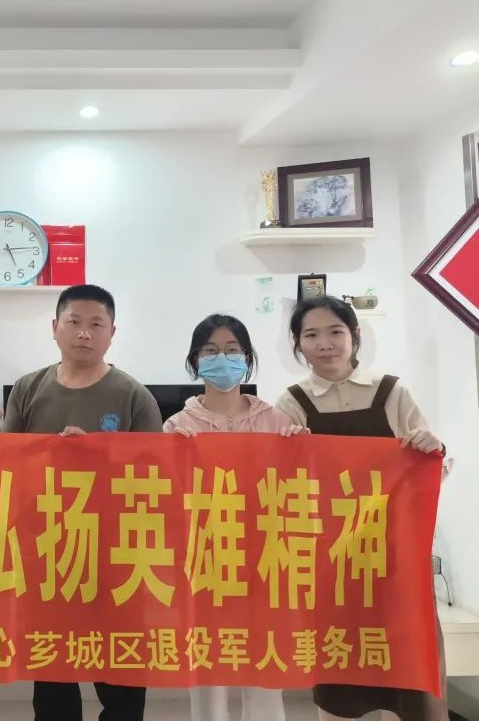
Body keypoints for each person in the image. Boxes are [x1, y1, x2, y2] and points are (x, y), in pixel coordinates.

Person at [275, 295, 448, 721]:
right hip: (331, 559)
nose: (325, 343)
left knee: (409, 660)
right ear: (298, 344)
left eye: (335, 331)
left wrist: (434, 449)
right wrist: (288, 453)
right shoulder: (291, 403)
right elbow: (278, 486)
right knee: (339, 669)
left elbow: (432, 470)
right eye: (311, 335)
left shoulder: (391, 391)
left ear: (353, 335)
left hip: (396, 553)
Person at [2, 283, 162, 721]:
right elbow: (5, 464)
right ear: (55, 327)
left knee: (122, 673)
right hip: (48, 550)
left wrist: (96, 456)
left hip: (117, 554)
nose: (84, 333)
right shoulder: (28, 388)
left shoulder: (133, 395)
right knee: (53, 673)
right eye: (74, 322)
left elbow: (156, 478)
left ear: (113, 332)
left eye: (96, 324)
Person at [162, 314, 306, 721]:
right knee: (208, 675)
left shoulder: (278, 421)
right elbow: (163, 497)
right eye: (210, 351)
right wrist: (170, 454)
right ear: (195, 360)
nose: (221, 359)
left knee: (265, 671)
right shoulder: (177, 425)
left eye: (231, 350)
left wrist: (301, 449)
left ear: (247, 357)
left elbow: (300, 488)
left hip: (266, 561)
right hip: (204, 562)